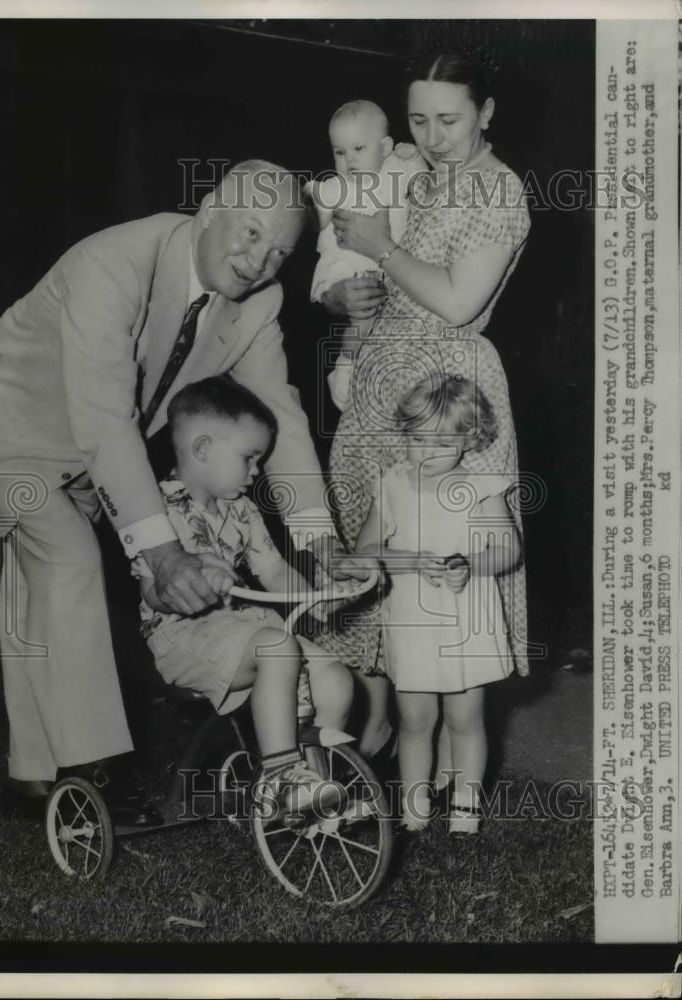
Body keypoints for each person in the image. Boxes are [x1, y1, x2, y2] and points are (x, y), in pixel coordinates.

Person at [0, 160, 348, 819]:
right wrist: (163, 553)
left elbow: (281, 417)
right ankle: (91, 772)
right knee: (67, 555)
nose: (259, 260)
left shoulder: (259, 304)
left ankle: (32, 779)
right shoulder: (115, 259)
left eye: (280, 251)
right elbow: (105, 417)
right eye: (251, 232)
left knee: (46, 583)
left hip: (82, 441)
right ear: (208, 210)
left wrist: (321, 541)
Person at [317, 46, 532, 764]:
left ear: (486, 113)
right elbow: (349, 265)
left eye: (449, 120)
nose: (433, 136)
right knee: (378, 550)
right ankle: (388, 725)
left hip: (445, 392)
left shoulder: (495, 190)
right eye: (419, 119)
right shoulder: (410, 173)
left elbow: (457, 300)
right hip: (379, 381)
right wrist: (339, 306)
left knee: (450, 555)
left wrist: (380, 247)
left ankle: (453, 758)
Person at [133, 376, 353, 808]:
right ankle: (281, 775)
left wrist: (317, 597)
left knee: (335, 679)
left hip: (244, 629)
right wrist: (191, 583)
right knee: (278, 647)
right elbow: (153, 593)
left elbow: (272, 569)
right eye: (249, 459)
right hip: (183, 637)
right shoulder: (156, 514)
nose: (256, 472)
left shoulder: (241, 509)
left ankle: (319, 783)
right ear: (202, 450)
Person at [352, 374, 520, 834]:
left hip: (466, 616)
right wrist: (406, 559)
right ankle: (415, 808)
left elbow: (508, 549)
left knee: (465, 718)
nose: (427, 451)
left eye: (443, 441)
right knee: (414, 720)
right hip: (412, 619)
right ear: (404, 435)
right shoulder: (391, 484)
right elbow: (366, 550)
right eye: (418, 439)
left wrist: (472, 563)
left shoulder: (482, 486)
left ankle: (466, 808)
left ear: (469, 439)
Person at [306, 100, 423, 411]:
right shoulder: (334, 187)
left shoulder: (396, 169)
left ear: (384, 147)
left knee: (386, 326)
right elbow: (312, 216)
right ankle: (345, 367)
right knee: (363, 317)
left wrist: (413, 155)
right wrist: (305, 200)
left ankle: (367, 373)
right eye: (339, 152)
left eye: (358, 148)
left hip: (390, 266)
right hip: (347, 267)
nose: (349, 160)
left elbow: (422, 180)